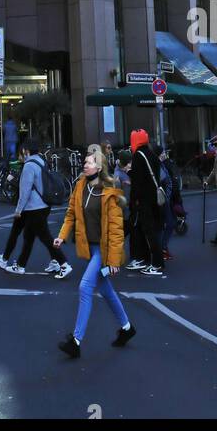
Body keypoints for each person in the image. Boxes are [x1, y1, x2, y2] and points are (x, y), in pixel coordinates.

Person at [55, 145, 135, 357]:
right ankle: (127, 328)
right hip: (89, 248)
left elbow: (117, 230)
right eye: (85, 162)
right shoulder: (81, 185)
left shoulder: (109, 194)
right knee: (106, 289)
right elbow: (71, 213)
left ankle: (76, 341)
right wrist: (62, 236)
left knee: (85, 286)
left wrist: (115, 261)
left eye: (89, 162)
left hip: (103, 249)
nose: (85, 164)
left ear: (99, 167)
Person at [0, 138, 72, 277]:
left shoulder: (29, 166)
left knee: (44, 237)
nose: (21, 155)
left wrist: (18, 210)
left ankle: (63, 263)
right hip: (43, 205)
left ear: (25, 151)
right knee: (28, 236)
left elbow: (25, 191)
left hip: (32, 208)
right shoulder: (41, 161)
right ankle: (19, 264)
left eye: (22, 152)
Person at [126, 128, 165, 276]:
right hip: (154, 198)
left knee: (147, 232)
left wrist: (133, 200)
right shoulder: (151, 154)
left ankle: (156, 263)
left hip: (143, 201)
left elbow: (138, 181)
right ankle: (148, 259)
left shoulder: (138, 156)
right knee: (148, 230)